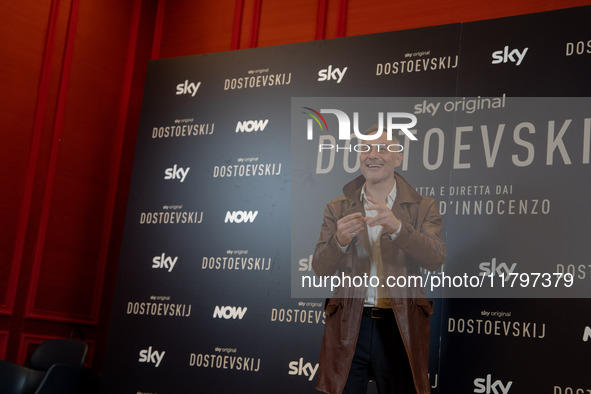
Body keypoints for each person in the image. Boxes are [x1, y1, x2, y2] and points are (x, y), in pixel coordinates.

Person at [312, 125, 445, 394]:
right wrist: (339, 241)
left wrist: (398, 228)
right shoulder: (337, 207)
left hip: (400, 323)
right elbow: (320, 268)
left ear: (399, 157)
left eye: (383, 148)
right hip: (350, 323)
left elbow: (435, 259)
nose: (372, 155)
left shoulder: (424, 206)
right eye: (365, 149)